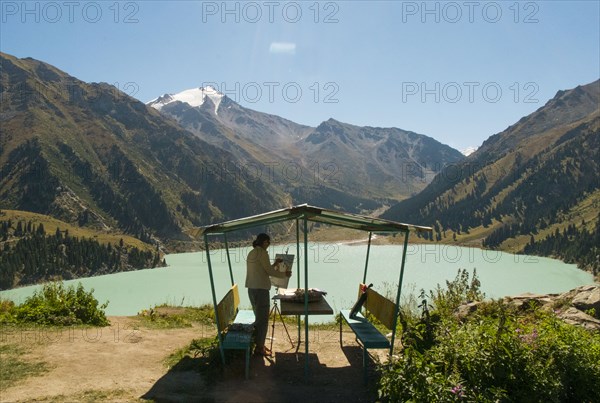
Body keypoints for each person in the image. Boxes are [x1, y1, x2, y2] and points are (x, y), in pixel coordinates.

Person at [245, 233, 291, 357]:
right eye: (268, 242)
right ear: (264, 242)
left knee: (258, 318)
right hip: (261, 290)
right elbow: (269, 272)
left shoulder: (252, 252)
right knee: (263, 320)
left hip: (251, 289)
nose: (269, 244)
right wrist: (284, 275)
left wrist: (275, 263)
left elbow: (263, 269)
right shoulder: (263, 253)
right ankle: (259, 348)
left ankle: (259, 344)